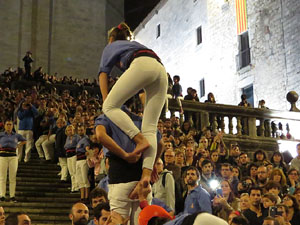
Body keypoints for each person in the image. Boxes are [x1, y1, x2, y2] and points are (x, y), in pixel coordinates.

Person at [98, 22, 168, 187]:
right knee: (149, 127)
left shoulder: (111, 46)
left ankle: (139, 140)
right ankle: (146, 173)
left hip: (142, 65)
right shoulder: (133, 45)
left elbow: (103, 74)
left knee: (108, 107)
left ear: (111, 39)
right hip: (160, 69)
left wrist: (106, 101)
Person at [0, 120, 26, 202]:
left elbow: (24, 140)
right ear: (4, 126)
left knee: (12, 177)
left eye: (10, 124)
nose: (8, 126)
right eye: (7, 124)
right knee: (2, 177)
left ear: (12, 126)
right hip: (2, 156)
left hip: (13, 156)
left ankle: (12, 196)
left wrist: (19, 145)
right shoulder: (1, 134)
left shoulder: (16, 135)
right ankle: (2, 195)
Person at [17, 95, 38, 162]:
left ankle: (26, 158)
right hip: (21, 129)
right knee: (19, 144)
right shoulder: (20, 110)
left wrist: (31, 106)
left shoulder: (32, 108)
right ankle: (18, 158)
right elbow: (20, 117)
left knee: (28, 144)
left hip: (29, 129)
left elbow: (36, 113)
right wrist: (25, 109)